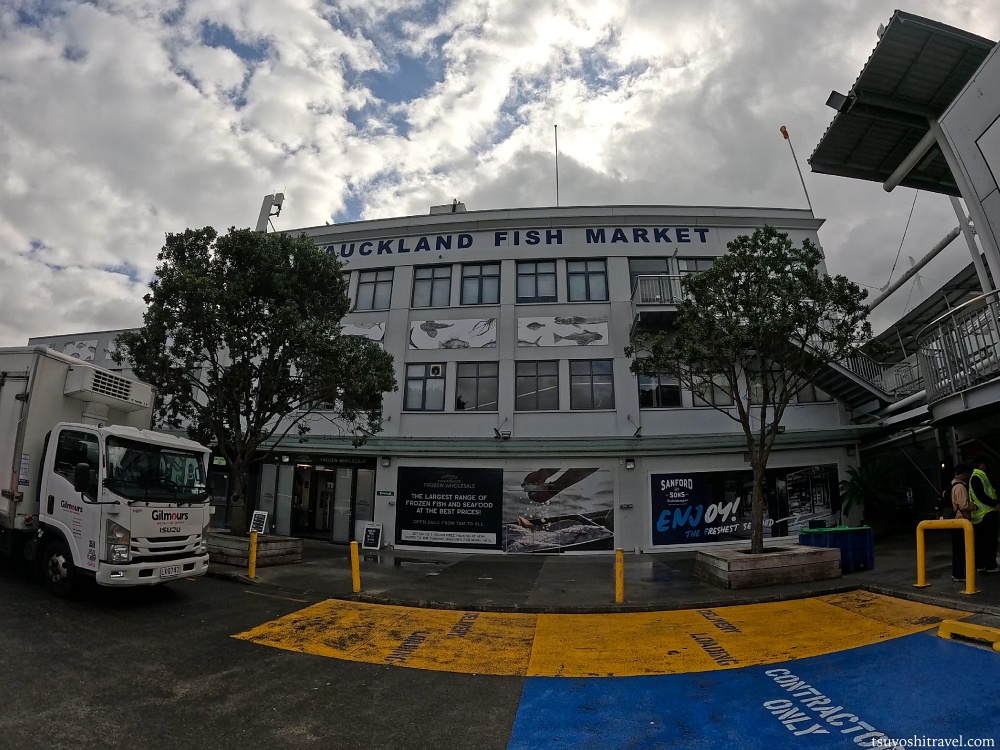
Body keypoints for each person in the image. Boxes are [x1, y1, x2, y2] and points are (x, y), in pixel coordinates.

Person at [969, 456, 999, 573]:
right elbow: (982, 495)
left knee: (983, 542)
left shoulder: (978, 476)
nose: (986, 467)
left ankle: (983, 565)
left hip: (982, 514)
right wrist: (994, 503)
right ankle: (988, 565)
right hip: (985, 514)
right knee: (989, 541)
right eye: (985, 464)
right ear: (981, 465)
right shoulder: (978, 477)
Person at [950, 464, 973, 582]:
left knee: (956, 549)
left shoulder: (952, 485)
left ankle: (956, 573)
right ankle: (960, 574)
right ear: (963, 474)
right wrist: (973, 506)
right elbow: (963, 505)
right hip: (961, 521)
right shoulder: (960, 487)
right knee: (961, 549)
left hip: (954, 521)